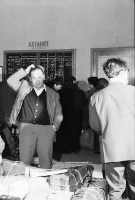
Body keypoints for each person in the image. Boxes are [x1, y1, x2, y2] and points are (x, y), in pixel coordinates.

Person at [89, 58, 135, 200]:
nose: (128, 75)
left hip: (111, 149)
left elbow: (95, 125)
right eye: (127, 72)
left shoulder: (96, 96)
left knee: (115, 190)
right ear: (121, 72)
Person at [7, 64, 63, 169]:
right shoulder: (23, 87)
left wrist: (54, 127)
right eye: (34, 77)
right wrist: (25, 70)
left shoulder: (53, 94)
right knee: (24, 159)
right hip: (26, 127)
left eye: (39, 77)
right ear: (30, 79)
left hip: (46, 129)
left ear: (44, 77)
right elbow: (10, 81)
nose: (37, 80)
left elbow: (58, 113)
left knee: (45, 158)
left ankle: (45, 181)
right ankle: (26, 181)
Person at [58, 75, 88, 154]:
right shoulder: (80, 92)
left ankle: (67, 148)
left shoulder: (62, 92)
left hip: (64, 115)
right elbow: (85, 103)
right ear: (74, 82)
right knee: (76, 131)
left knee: (65, 132)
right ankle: (76, 147)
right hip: (77, 115)